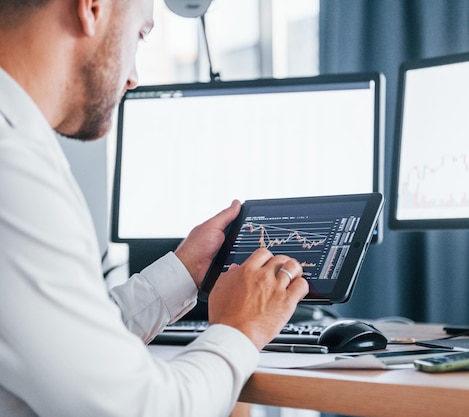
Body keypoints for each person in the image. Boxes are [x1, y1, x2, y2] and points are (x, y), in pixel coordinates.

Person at [0, 0, 310, 416]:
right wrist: (241, 329)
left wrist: (183, 270)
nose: (132, 78)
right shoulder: (14, 171)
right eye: (140, 35)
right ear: (92, 8)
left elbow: (67, 342)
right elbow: (139, 409)